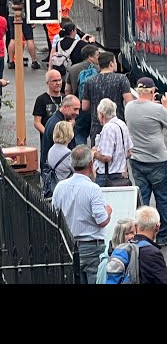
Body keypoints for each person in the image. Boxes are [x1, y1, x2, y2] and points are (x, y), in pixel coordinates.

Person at [124, 77, 167, 247]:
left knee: (143, 198)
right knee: (162, 198)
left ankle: (141, 234)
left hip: (137, 160)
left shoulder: (129, 107)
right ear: (153, 91)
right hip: (158, 161)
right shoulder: (158, 109)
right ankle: (162, 235)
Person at [51, 145, 113, 284]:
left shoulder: (60, 187)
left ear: (72, 165)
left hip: (68, 245)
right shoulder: (93, 189)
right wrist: (108, 211)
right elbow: (102, 220)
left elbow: (54, 216)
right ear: (91, 164)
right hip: (92, 247)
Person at [81, 51, 133, 146]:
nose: (116, 64)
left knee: (98, 155)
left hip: (97, 125)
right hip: (117, 124)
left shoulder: (90, 81)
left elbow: (84, 107)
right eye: (115, 62)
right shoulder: (121, 79)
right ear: (111, 63)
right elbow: (129, 102)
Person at [41, 95, 80, 191]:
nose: (77, 113)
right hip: (60, 180)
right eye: (75, 109)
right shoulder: (59, 125)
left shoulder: (53, 120)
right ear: (65, 107)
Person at [92, 98, 133, 187]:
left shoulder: (108, 128)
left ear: (102, 115)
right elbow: (129, 152)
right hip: (120, 174)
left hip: (107, 176)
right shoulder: (122, 124)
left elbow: (107, 157)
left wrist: (94, 153)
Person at [130, 205, 167, 284]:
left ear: (136, 226)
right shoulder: (151, 253)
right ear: (157, 227)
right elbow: (165, 281)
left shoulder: (126, 245)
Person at [65, 44, 100, 145]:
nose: (99, 57)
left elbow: (67, 90)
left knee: (79, 134)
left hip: (79, 107)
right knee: (96, 136)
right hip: (95, 107)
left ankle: (81, 157)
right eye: (97, 55)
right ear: (90, 57)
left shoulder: (73, 69)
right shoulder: (99, 69)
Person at [6, 0, 40, 70]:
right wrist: (32, 20)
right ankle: (34, 61)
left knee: (13, 39)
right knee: (29, 39)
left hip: (12, 16)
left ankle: (11, 61)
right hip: (24, 16)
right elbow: (30, 5)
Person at [33, 70, 64, 172]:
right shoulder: (41, 99)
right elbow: (37, 122)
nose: (58, 83)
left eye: (59, 80)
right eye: (54, 81)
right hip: (48, 141)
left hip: (65, 140)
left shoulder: (66, 98)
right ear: (48, 83)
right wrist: (48, 133)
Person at [96, 217, 136, 284]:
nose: (134, 236)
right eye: (130, 233)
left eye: (136, 232)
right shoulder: (106, 262)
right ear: (120, 235)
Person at [46, 120, 75, 190]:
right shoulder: (68, 154)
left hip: (53, 186)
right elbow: (77, 172)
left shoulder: (51, 150)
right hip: (66, 188)